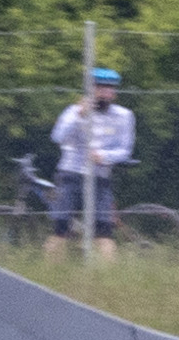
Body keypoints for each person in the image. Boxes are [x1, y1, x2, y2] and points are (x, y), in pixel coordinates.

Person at [49, 68, 134, 256]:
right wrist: (79, 114)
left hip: (100, 176)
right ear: (91, 89)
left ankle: (109, 280)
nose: (104, 93)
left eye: (109, 89)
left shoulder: (124, 116)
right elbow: (57, 137)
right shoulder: (73, 111)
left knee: (104, 231)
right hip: (71, 173)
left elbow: (125, 150)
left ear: (115, 92)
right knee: (60, 228)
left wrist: (104, 156)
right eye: (100, 88)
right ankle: (51, 272)